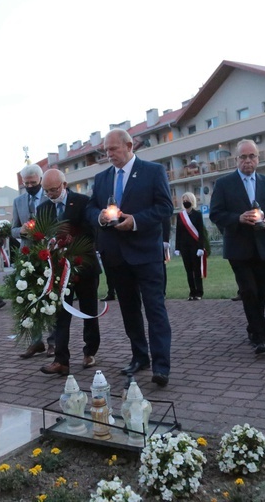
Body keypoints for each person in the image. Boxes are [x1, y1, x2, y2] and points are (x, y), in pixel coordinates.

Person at [86, 128, 174, 387]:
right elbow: (91, 208)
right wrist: (99, 217)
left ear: (128, 145)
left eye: (113, 149)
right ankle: (139, 356)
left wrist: (135, 221)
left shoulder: (153, 171)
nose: (108, 154)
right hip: (116, 255)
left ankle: (161, 366)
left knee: (155, 310)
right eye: (105, 150)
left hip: (146, 254)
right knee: (129, 310)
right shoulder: (102, 178)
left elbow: (165, 207)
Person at [210, 139, 265, 354]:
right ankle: (261, 337)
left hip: (263, 246)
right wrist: (238, 218)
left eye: (252, 156)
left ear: (258, 158)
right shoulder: (224, 184)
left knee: (261, 292)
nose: (247, 160)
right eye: (243, 157)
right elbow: (216, 213)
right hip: (238, 248)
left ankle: (253, 328)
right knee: (249, 291)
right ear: (236, 159)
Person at [37, 169, 101, 376]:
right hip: (59, 270)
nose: (51, 194)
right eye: (46, 191)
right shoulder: (43, 208)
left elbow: (93, 232)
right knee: (60, 315)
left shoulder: (82, 201)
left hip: (84, 266)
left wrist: (72, 242)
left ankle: (90, 351)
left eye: (54, 189)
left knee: (88, 311)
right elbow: (40, 235)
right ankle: (61, 360)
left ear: (64, 185)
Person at [11, 164, 56, 356]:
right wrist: (20, 231)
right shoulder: (18, 201)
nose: (29, 186)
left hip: (48, 252)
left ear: (41, 180)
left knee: (50, 297)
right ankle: (36, 341)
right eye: (26, 183)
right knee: (29, 297)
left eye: (33, 183)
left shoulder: (50, 197)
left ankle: (54, 341)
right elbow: (13, 229)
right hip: (27, 253)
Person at [174, 192, 210, 301]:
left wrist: (200, 247)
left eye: (187, 200)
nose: (185, 202)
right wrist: (177, 247)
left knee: (196, 270)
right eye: (184, 200)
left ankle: (199, 292)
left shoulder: (197, 215)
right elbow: (178, 233)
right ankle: (192, 292)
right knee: (188, 271)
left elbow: (200, 232)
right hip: (185, 248)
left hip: (195, 247)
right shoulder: (180, 216)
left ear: (192, 201)